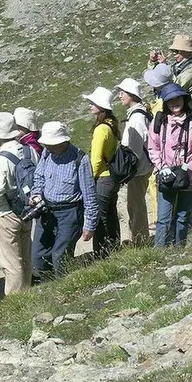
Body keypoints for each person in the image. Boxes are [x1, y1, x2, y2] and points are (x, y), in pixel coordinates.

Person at [147, 83, 192, 247]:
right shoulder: (159, 122)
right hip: (167, 174)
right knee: (163, 217)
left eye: (178, 98)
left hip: (190, 173)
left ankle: (179, 248)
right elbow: (153, 147)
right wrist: (161, 167)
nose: (175, 103)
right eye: (170, 100)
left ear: (184, 99)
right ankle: (159, 252)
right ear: (165, 103)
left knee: (183, 215)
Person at [31, 122, 98, 277]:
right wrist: (36, 194)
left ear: (63, 141)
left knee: (60, 256)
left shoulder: (80, 159)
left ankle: (64, 288)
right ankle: (44, 287)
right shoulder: (47, 154)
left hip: (70, 213)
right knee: (38, 255)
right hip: (47, 211)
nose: (48, 147)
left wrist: (89, 225)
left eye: (52, 144)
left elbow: (89, 196)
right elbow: (39, 177)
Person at [0, 112, 39, 295]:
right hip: (27, 208)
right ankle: (27, 292)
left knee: (10, 260)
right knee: (25, 255)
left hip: (6, 213)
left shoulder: (1, 158)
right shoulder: (28, 150)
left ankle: (15, 300)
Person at [82, 87, 120, 258]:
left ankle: (101, 253)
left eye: (93, 103)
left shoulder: (100, 129)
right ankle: (114, 246)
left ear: (101, 107)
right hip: (112, 177)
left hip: (103, 178)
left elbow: (95, 160)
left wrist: (90, 179)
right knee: (111, 213)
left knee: (100, 216)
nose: (90, 105)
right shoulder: (111, 124)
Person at [114, 78, 153, 244]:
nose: (120, 96)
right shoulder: (139, 114)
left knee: (136, 206)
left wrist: (128, 169)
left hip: (138, 169)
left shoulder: (136, 118)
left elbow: (134, 149)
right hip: (142, 167)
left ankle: (139, 240)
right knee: (136, 204)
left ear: (131, 95)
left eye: (122, 93)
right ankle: (138, 237)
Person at [143, 63, 173, 231]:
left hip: (160, 147)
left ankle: (158, 217)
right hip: (163, 147)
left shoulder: (162, 103)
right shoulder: (169, 96)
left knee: (155, 181)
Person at [149, 34, 192, 106]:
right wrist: (154, 62)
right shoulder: (178, 65)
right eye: (173, 51)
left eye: (176, 51)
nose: (174, 54)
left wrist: (164, 66)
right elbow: (156, 77)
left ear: (186, 51)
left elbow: (176, 86)